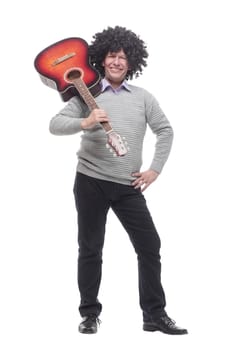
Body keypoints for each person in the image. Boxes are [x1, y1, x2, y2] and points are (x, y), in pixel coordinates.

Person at [49, 26, 188, 335]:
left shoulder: (142, 98)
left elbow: (165, 130)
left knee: (150, 245)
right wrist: (85, 121)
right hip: (90, 181)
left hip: (128, 186)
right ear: (101, 59)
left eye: (123, 57)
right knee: (90, 248)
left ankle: (154, 314)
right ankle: (89, 314)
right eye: (112, 55)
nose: (117, 62)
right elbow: (55, 124)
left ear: (132, 62)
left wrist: (155, 169)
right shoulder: (85, 93)